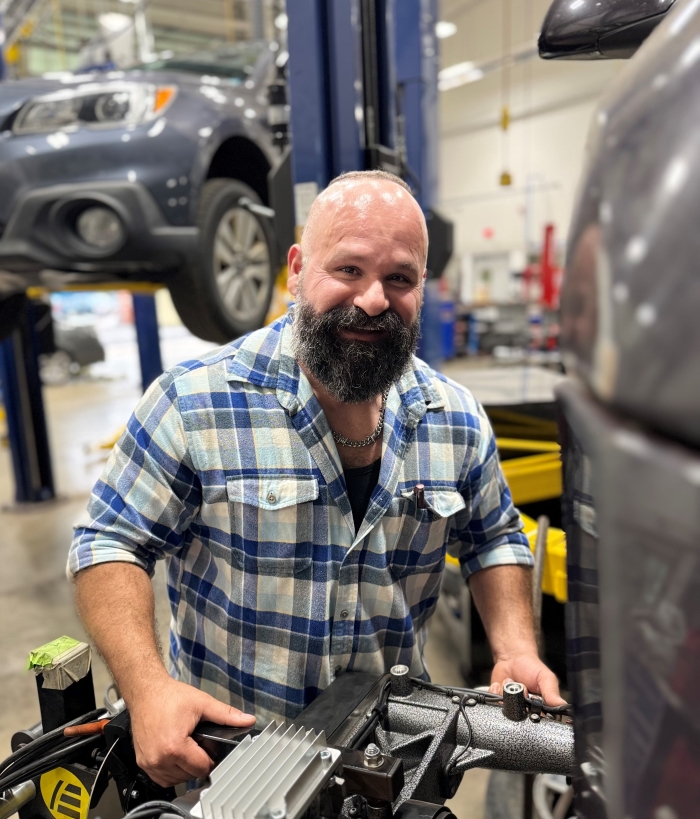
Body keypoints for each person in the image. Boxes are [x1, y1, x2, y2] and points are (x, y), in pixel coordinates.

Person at [68, 170, 564, 789]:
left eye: (399, 278)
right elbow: (108, 543)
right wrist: (147, 691)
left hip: (388, 769)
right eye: (349, 270)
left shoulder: (455, 418)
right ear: (297, 269)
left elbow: (493, 539)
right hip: (231, 768)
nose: (375, 299)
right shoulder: (194, 403)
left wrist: (516, 650)